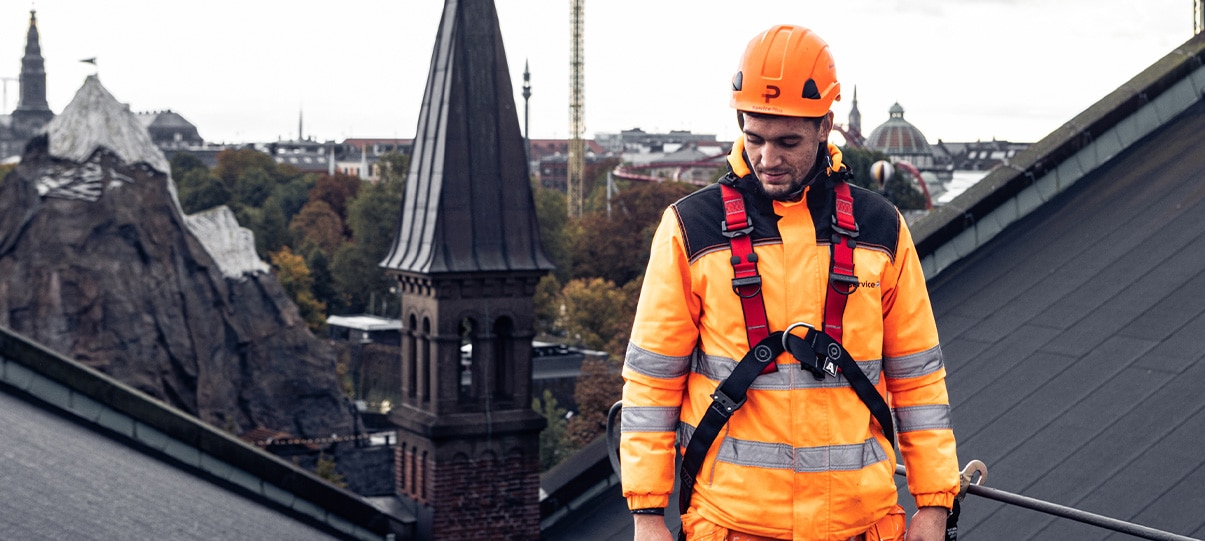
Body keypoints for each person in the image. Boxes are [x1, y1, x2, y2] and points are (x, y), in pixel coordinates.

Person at [620, 24, 959, 541]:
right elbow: (651, 382)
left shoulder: (882, 227)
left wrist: (934, 506)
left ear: (826, 126)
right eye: (753, 138)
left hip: (859, 525)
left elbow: (918, 381)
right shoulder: (691, 228)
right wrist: (647, 517)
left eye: (788, 142)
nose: (767, 159)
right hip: (732, 526)